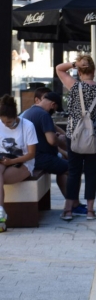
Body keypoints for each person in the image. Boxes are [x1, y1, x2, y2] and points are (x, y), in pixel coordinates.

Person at [56, 56, 96, 221]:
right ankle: (90, 211)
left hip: (74, 135)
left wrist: (74, 64)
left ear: (79, 71)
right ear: (94, 70)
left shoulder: (74, 86)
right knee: (91, 172)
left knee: (74, 171)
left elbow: (59, 68)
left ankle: (68, 210)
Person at [20, 88, 73, 213]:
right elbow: (52, 141)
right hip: (41, 158)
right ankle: (73, 204)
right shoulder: (44, 115)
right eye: (55, 110)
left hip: (32, 156)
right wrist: (58, 138)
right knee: (73, 168)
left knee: (63, 167)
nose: (54, 112)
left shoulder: (30, 112)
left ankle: (71, 202)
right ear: (53, 104)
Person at [0, 95, 37, 225]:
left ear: (16, 116)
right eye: (3, 122)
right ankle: (0, 212)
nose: (6, 125)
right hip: (3, 159)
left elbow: (31, 154)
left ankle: (1, 214)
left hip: (23, 161)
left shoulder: (27, 126)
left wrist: (11, 162)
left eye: (9, 122)